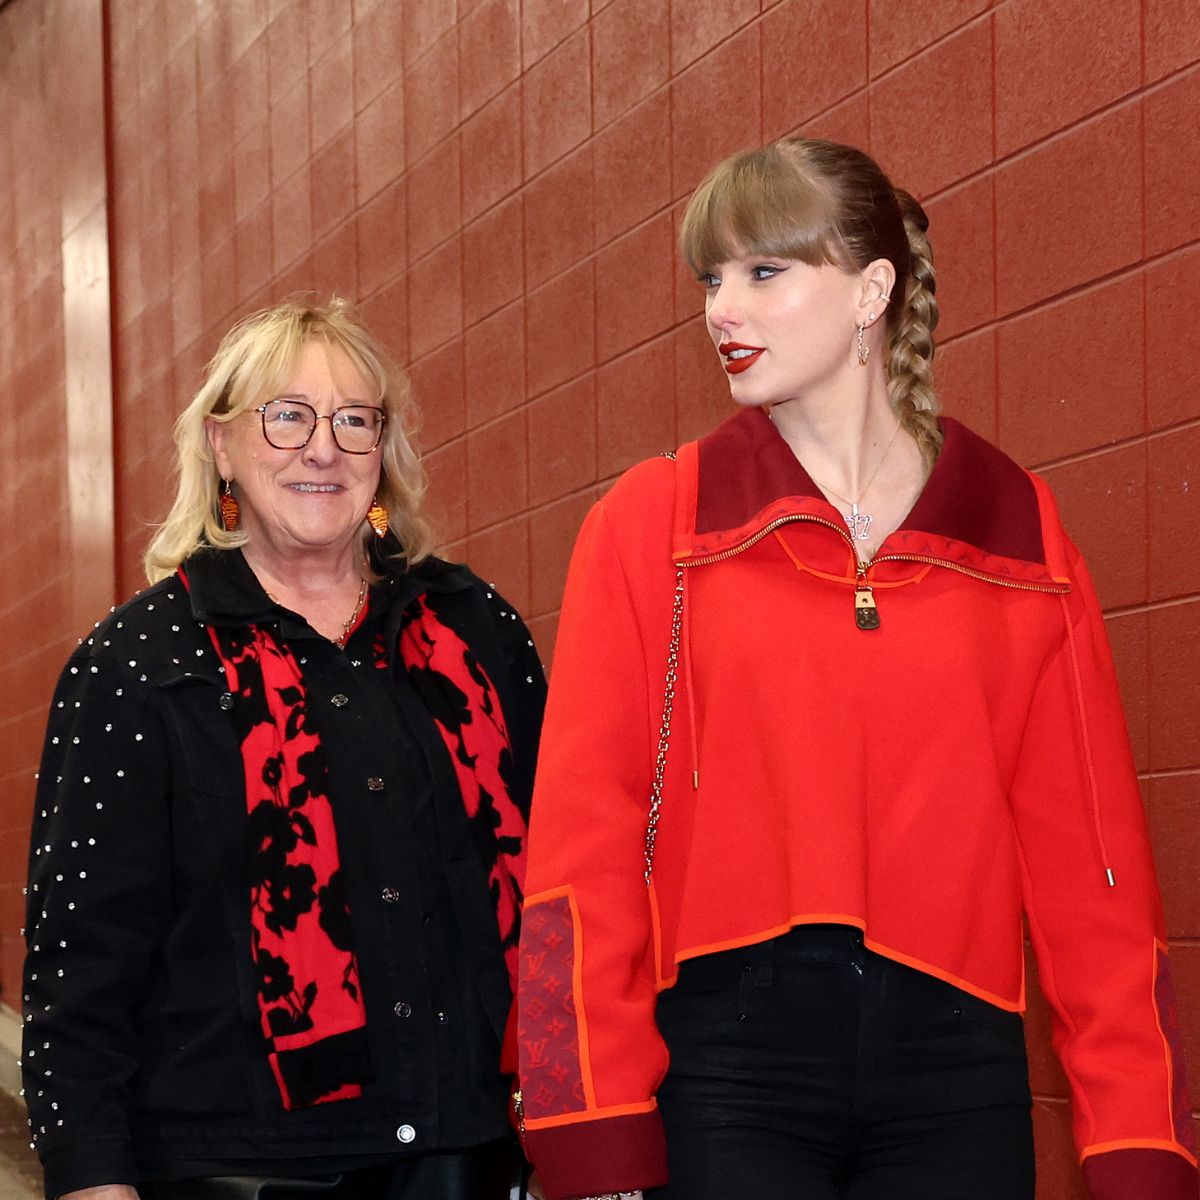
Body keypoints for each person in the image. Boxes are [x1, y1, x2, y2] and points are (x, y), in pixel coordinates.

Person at [514, 138, 1197, 1200]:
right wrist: (589, 1122)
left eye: (764, 272)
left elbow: (1096, 877)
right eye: (712, 277)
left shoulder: (1017, 530)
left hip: (958, 1077)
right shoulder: (655, 524)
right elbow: (580, 845)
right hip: (726, 1072)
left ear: (874, 289)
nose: (720, 310)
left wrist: (1141, 1145)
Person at [22, 298, 545, 1200]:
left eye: (354, 420)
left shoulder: (474, 632)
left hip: (477, 1150)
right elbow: (79, 971)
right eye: (288, 415)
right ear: (222, 446)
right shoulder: (138, 665)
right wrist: (91, 1181)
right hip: (236, 1168)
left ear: (383, 454)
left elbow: (568, 888)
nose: (323, 448)